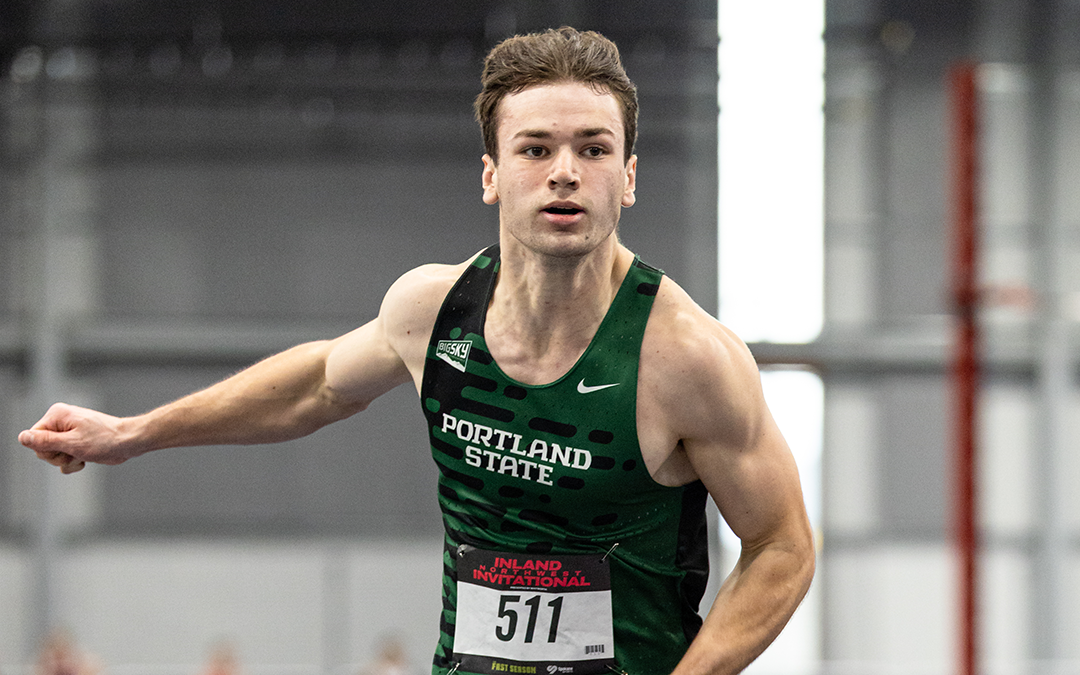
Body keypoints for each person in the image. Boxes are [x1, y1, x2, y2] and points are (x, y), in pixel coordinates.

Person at [20, 27, 814, 675]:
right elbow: (315, 387)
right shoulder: (434, 309)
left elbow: (781, 547)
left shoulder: (686, 357)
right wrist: (131, 433)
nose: (565, 173)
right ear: (491, 175)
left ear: (630, 177)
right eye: (536, 149)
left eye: (594, 150)